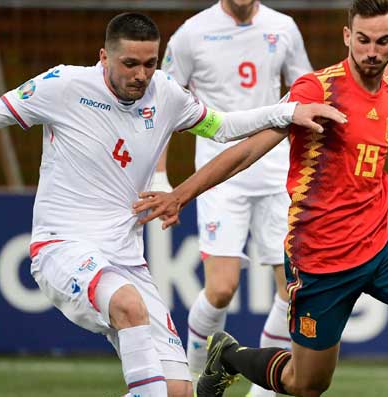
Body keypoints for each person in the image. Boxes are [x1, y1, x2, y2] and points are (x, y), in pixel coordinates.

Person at [0, 12, 345, 397]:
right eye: (130, 63)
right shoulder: (63, 85)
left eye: (149, 63)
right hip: (61, 248)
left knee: (177, 390)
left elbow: (221, 128)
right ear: (104, 57)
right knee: (128, 304)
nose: (141, 74)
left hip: (126, 260)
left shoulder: (166, 94)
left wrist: (288, 110)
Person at [132, 1, 388, 397]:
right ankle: (229, 357)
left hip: (385, 243)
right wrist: (181, 194)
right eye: (362, 40)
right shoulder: (317, 89)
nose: (371, 51)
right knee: (307, 382)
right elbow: (248, 150)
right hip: (321, 258)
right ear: (347, 36)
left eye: (382, 42)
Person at [152, 1, 313, 395]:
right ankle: (191, 376)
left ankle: (263, 389)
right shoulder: (192, 34)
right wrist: (158, 175)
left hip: (276, 174)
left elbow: (305, 93)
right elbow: (160, 105)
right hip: (221, 173)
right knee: (222, 288)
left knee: (290, 289)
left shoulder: (284, 27)